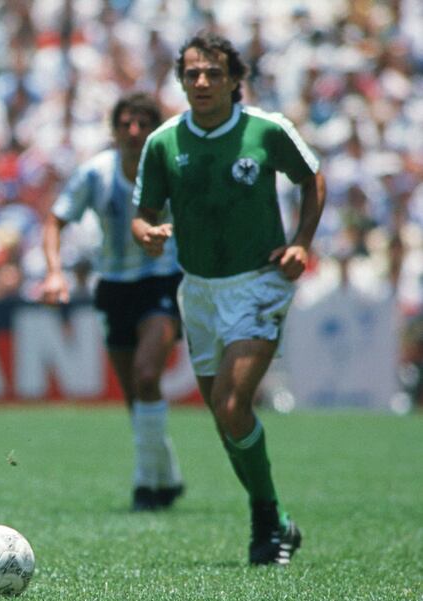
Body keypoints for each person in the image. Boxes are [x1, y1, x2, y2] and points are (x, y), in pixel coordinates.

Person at [131, 33, 326, 565]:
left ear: (233, 80)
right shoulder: (164, 143)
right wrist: (145, 231)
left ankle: (265, 522)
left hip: (258, 283)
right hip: (198, 290)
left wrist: (301, 243)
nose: (201, 82)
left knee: (233, 405)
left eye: (212, 73)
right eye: (192, 73)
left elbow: (311, 180)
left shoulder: (266, 130)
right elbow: (143, 212)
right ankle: (278, 520)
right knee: (225, 420)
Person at [41, 92, 185, 512]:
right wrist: (54, 271)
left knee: (145, 375)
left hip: (161, 281)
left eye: (143, 123)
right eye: (126, 123)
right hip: (115, 285)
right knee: (134, 395)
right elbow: (55, 219)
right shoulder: (97, 174)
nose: (134, 131)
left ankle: (145, 484)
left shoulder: (171, 170)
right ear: (115, 129)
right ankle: (168, 475)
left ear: (156, 130)